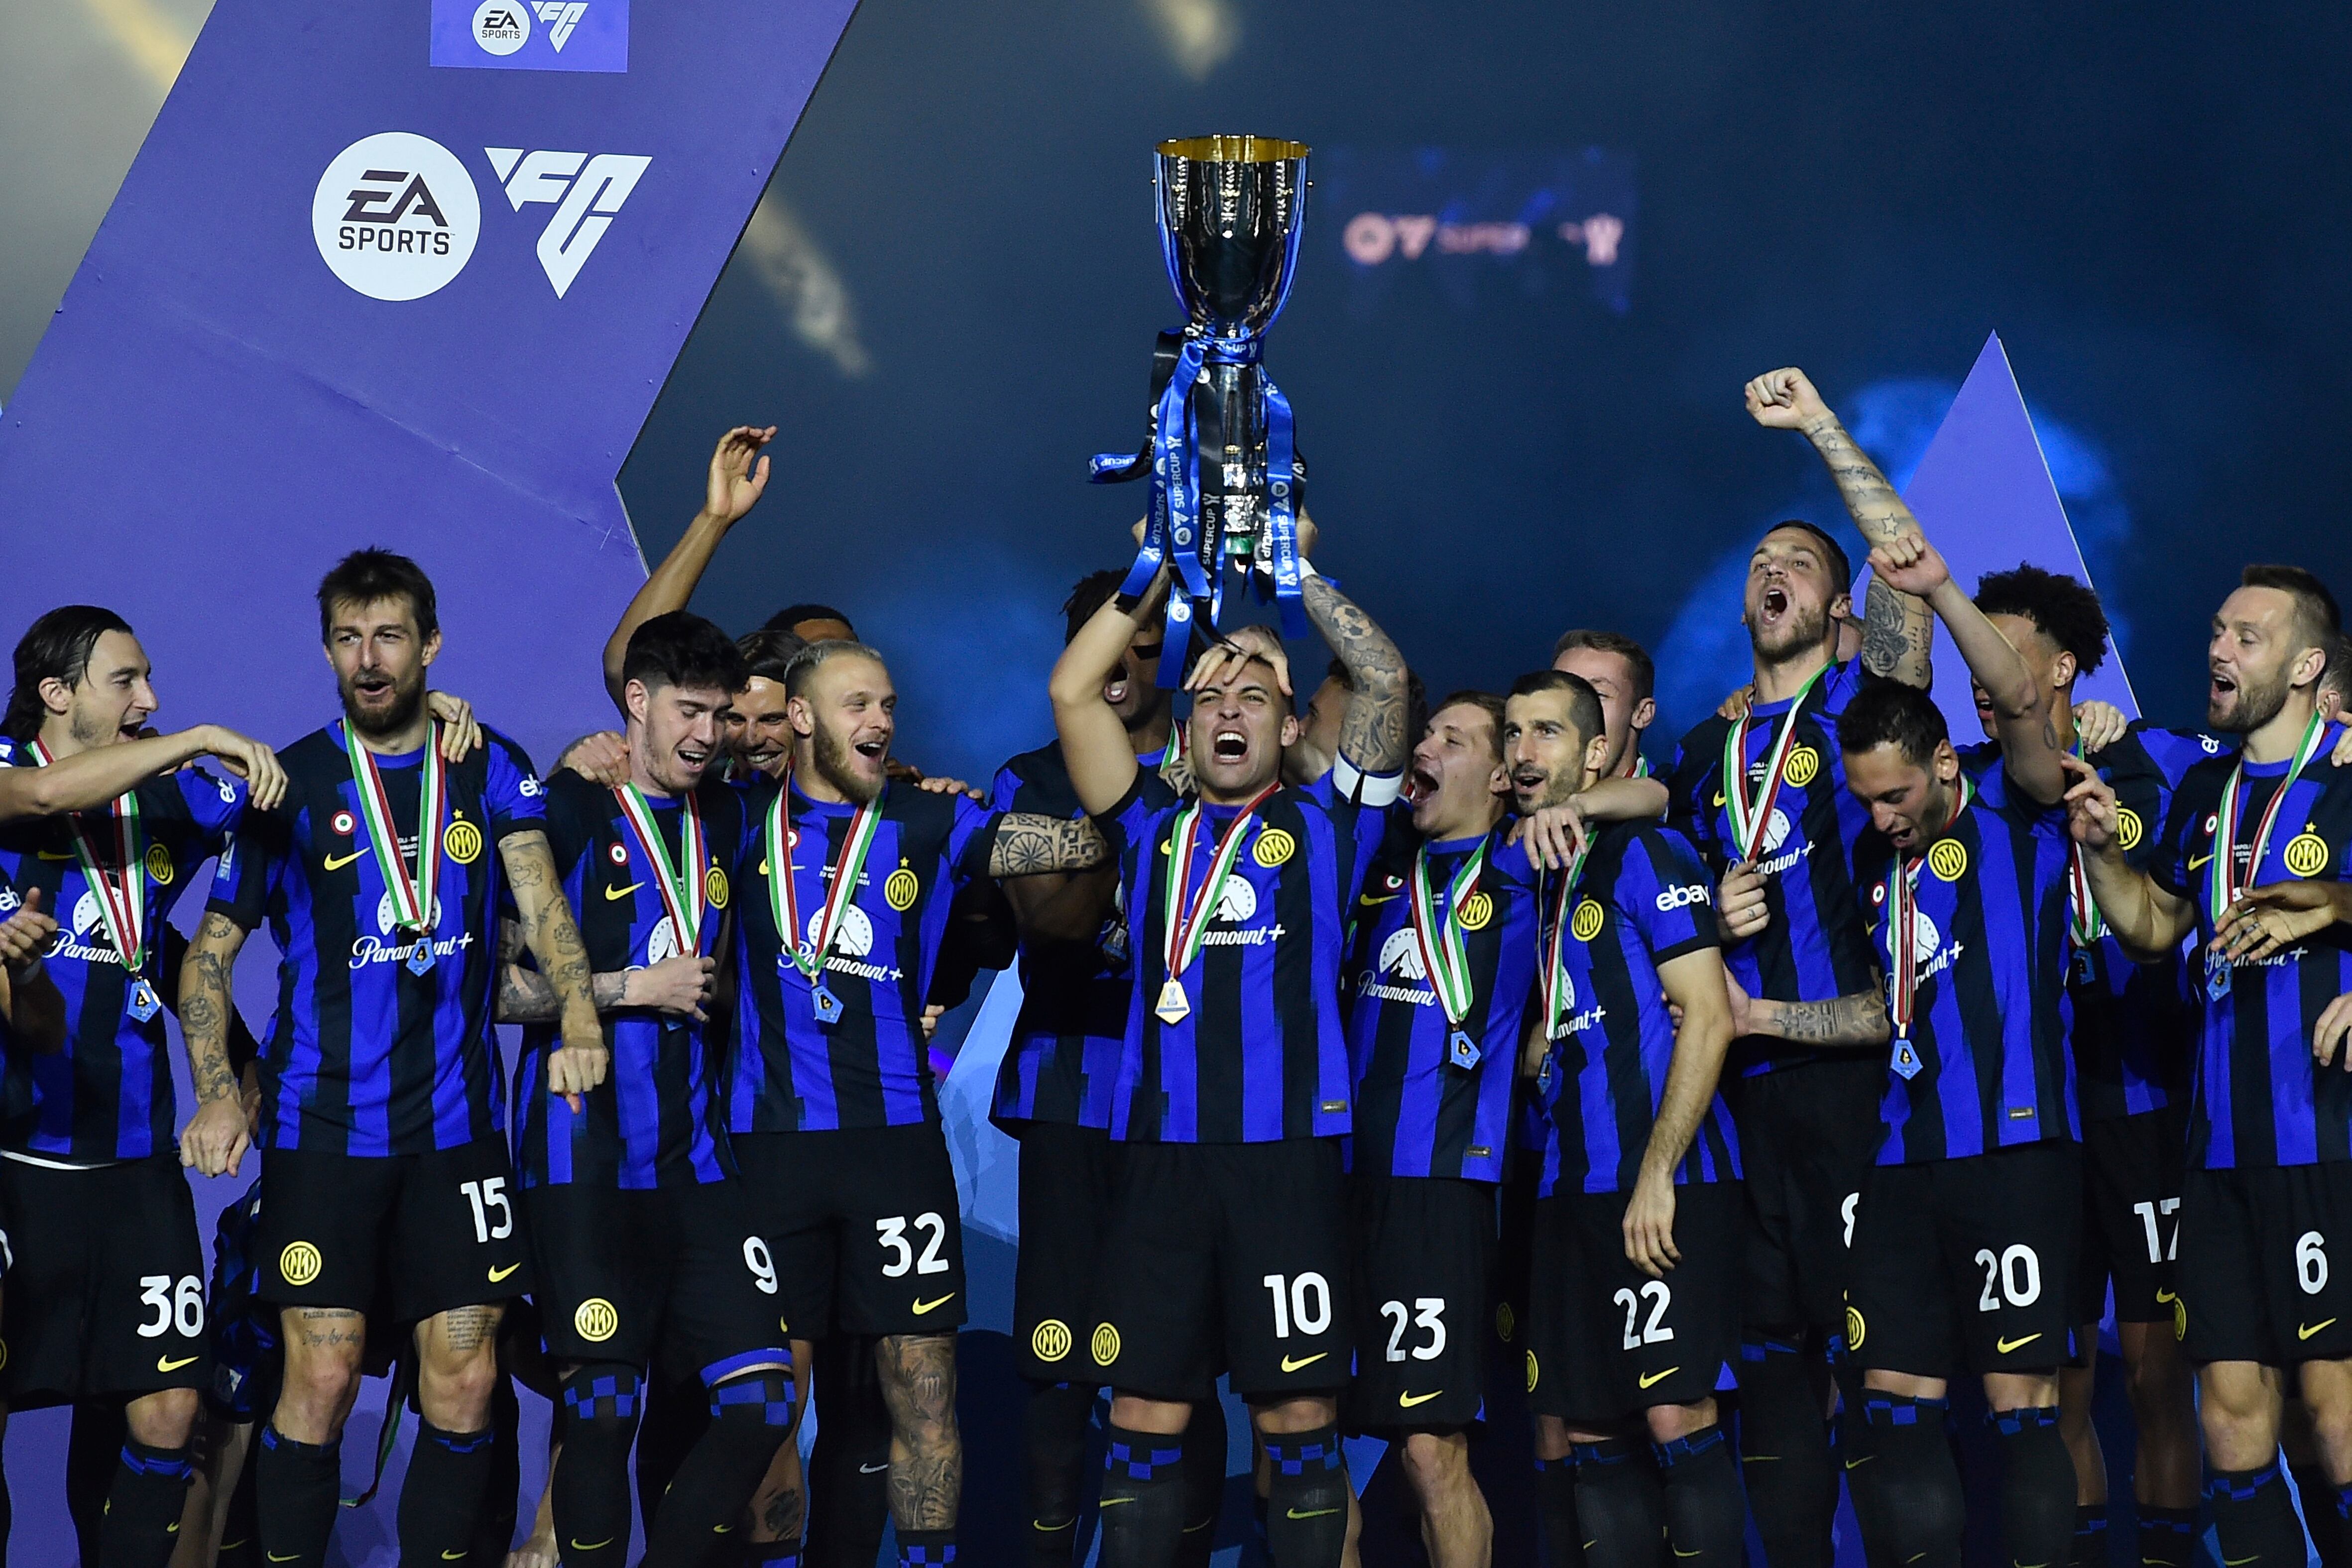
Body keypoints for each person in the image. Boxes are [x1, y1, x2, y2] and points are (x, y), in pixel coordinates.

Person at [179, 549, 606, 1568]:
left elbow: (542, 905)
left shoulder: (487, 764)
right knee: (320, 1381)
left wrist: (583, 1021)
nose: (368, 660)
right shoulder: (289, 784)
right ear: (326, 647)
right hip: (325, 1136)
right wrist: (215, 1094)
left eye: (389, 637)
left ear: (431, 644)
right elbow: (209, 956)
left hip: (456, 1142)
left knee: (465, 1377)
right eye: (347, 638)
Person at [1049, 524, 1411, 1568]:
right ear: (1186, 727)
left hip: (1286, 1162)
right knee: (1146, 1415)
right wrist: (1155, 561)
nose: (1228, 710)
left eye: (1256, 695)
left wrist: (1295, 575)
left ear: (1294, 724)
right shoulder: (1148, 829)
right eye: (1210, 695)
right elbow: (1076, 694)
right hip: (1161, 1163)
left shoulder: (1334, 826)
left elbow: (1381, 676)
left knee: (1297, 1421)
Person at [723, 632, 1110, 1568]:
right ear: (803, 719)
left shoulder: (931, 824)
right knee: (772, 1402)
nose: (881, 719)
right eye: (858, 703)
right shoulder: (727, 820)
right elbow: (638, 704)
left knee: (925, 1390)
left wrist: (1133, 827)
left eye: (888, 704)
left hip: (896, 1149)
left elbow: (1051, 849)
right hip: (768, 1146)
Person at [498, 612, 797, 1567]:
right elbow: (503, 987)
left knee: (762, 1399)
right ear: (635, 702)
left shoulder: (733, 814)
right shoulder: (573, 806)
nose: (706, 736)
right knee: (601, 1406)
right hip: (578, 1156)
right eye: (687, 712)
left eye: (718, 715)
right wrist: (632, 989)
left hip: (697, 1165)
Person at [2070, 565, 2352, 1568]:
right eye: (2216, 631)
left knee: (2335, 1412)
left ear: (2307, 665)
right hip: (2216, 1151)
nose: (2216, 650)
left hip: (2327, 1137)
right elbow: (2154, 930)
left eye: (2245, 636)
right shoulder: (2203, 789)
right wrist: (2104, 855)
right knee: (2230, 1423)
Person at [0, 605, 283, 1568]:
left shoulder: (170, 795)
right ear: (56, 692)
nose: (152, 700)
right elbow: (39, 800)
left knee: (167, 1408)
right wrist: (199, 738)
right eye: (126, 680)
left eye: (151, 680)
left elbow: (158, 942)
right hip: (14, 1157)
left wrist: (423, 723)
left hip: (131, 1164)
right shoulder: (7, 768)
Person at [1827, 533, 2081, 1568]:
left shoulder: (2021, 807)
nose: (1881, 819)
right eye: (1864, 802)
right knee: (1892, 1414)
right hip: (1896, 1161)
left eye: (1895, 798)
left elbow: (2019, 702)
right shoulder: (1868, 845)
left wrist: (1930, 587)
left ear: (1941, 763)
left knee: (2022, 1413)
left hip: (2016, 1155)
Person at [1954, 565, 2202, 1568]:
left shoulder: (2149, 757)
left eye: (2003, 648)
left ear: (2061, 668)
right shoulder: (1967, 775)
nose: (1980, 671)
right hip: (2035, 1118)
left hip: (2142, 1096)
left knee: (2152, 1377)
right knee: (2055, 1384)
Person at [988, 568, 1229, 1568]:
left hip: (1194, 1106)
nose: (1128, 660)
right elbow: (1051, 924)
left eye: (1145, 641)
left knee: (1178, 1367)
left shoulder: (1231, 765)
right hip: (1066, 1089)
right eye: (1106, 639)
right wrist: (1139, 813)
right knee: (1058, 1366)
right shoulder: (1029, 776)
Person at [1503, 669, 1747, 1568]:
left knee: (1674, 1418)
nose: (1525, 753)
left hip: (1662, 1184)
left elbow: (1709, 1014)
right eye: (1513, 733)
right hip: (1567, 1195)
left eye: (1548, 733)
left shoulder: (1647, 853)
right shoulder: (1527, 872)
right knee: (1594, 1439)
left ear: (1597, 751)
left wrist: (1655, 1174)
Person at [1338, 688, 1536, 1566]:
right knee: (1297, 1440)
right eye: (1425, 732)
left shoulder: (1531, 864)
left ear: (1499, 776)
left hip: (1439, 1191)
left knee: (1427, 1450)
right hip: (1332, 1185)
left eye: (1450, 739)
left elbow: (1639, 794)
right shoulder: (1372, 871)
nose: (1424, 745)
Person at [1551, 630, 1658, 780]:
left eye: (1598, 695)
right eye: (1559, 695)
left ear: (1642, 714)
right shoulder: (1519, 795)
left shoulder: (1676, 800)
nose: (1572, 710)